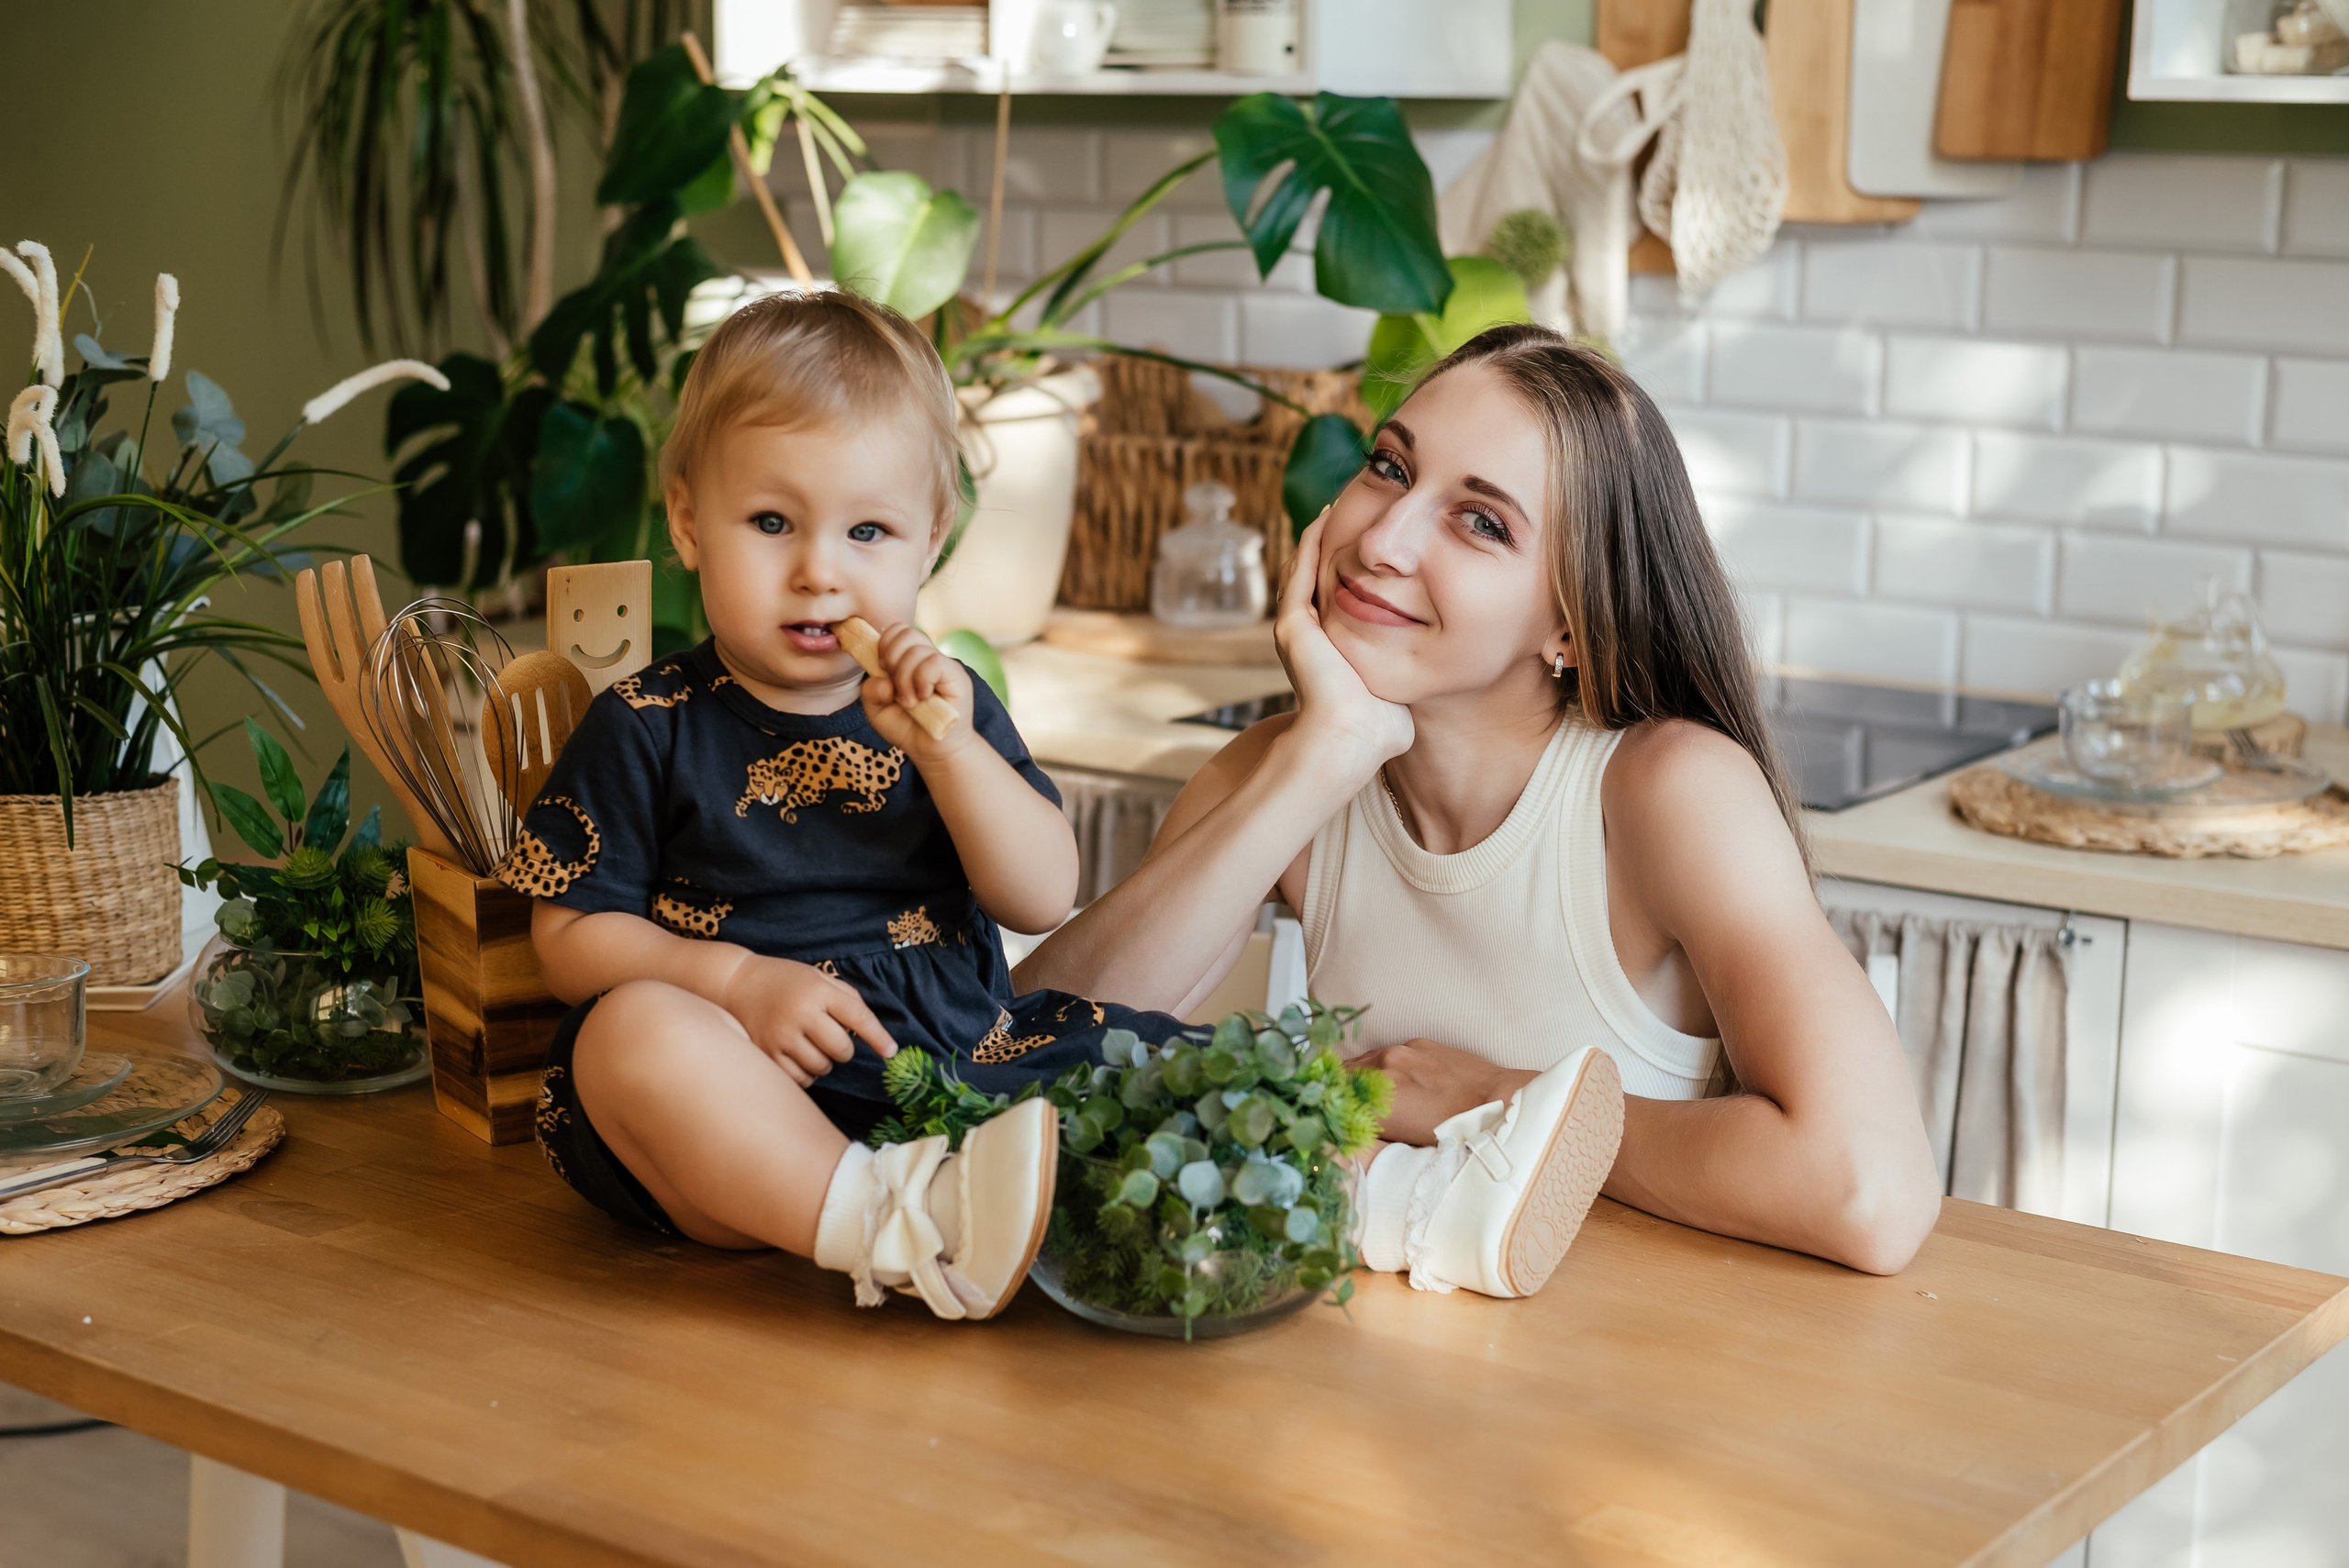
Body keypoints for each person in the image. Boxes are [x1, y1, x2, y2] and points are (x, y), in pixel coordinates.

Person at [1019, 323, 1943, 1287]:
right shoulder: (1290, 770)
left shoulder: (1668, 790)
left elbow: (1868, 1190)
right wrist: (1318, 760)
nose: (1381, 539)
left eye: (1481, 521)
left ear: (1571, 625)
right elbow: (1020, 1059)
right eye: (1386, 466)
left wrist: (1502, 1103)